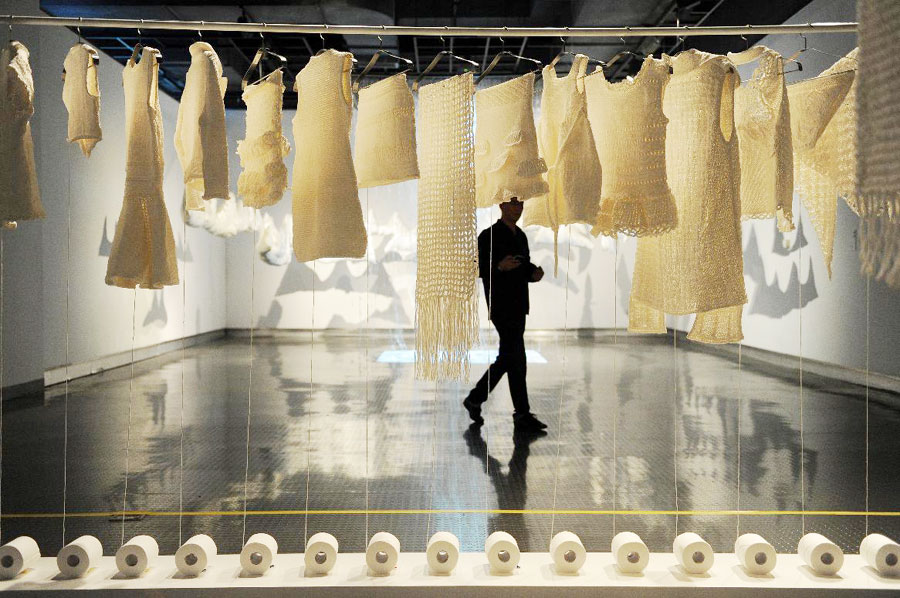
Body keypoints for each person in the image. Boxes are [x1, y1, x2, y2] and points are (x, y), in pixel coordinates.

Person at [463, 197, 548, 432]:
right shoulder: (488, 236)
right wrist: (499, 267)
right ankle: (519, 413)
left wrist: (533, 273)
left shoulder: (520, 236)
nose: (517, 209)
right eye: (513, 204)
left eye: (520, 204)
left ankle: (477, 399)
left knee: (510, 358)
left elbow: (523, 265)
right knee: (515, 357)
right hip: (501, 305)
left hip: (519, 304)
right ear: (501, 206)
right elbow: (476, 266)